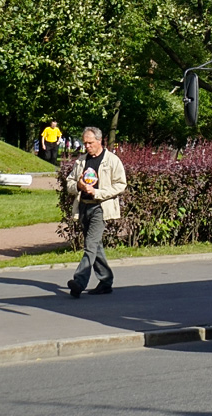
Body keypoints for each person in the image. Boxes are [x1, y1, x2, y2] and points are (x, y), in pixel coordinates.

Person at [65, 127, 127, 298]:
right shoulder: (81, 161)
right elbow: (69, 182)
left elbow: (121, 184)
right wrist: (78, 185)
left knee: (90, 245)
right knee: (96, 246)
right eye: (85, 143)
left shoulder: (112, 160)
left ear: (100, 141)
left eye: (90, 143)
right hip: (84, 206)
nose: (87, 146)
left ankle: (79, 281)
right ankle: (106, 281)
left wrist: (98, 193)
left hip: (100, 207)